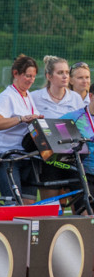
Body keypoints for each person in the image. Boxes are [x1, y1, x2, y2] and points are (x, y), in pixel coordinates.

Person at [0, 54, 43, 205]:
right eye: (27, 76)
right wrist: (20, 119)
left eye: (33, 76)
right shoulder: (7, 96)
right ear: (16, 74)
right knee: (14, 204)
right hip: (5, 154)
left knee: (29, 202)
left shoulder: (27, 95)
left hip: (25, 154)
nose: (31, 80)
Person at [29, 55, 85, 201]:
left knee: (77, 203)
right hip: (48, 159)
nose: (65, 76)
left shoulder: (76, 98)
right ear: (49, 76)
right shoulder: (35, 97)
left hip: (71, 157)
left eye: (66, 72)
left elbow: (80, 126)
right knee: (51, 205)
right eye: (60, 73)